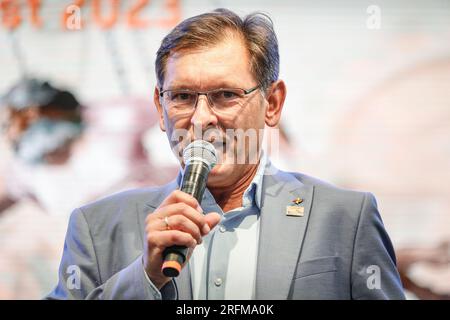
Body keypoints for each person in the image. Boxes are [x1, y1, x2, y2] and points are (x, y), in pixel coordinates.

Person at [46, 8, 405, 300]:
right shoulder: (95, 227)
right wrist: (144, 279)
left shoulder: (345, 218)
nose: (201, 119)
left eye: (226, 95)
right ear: (160, 108)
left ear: (272, 103)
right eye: (183, 96)